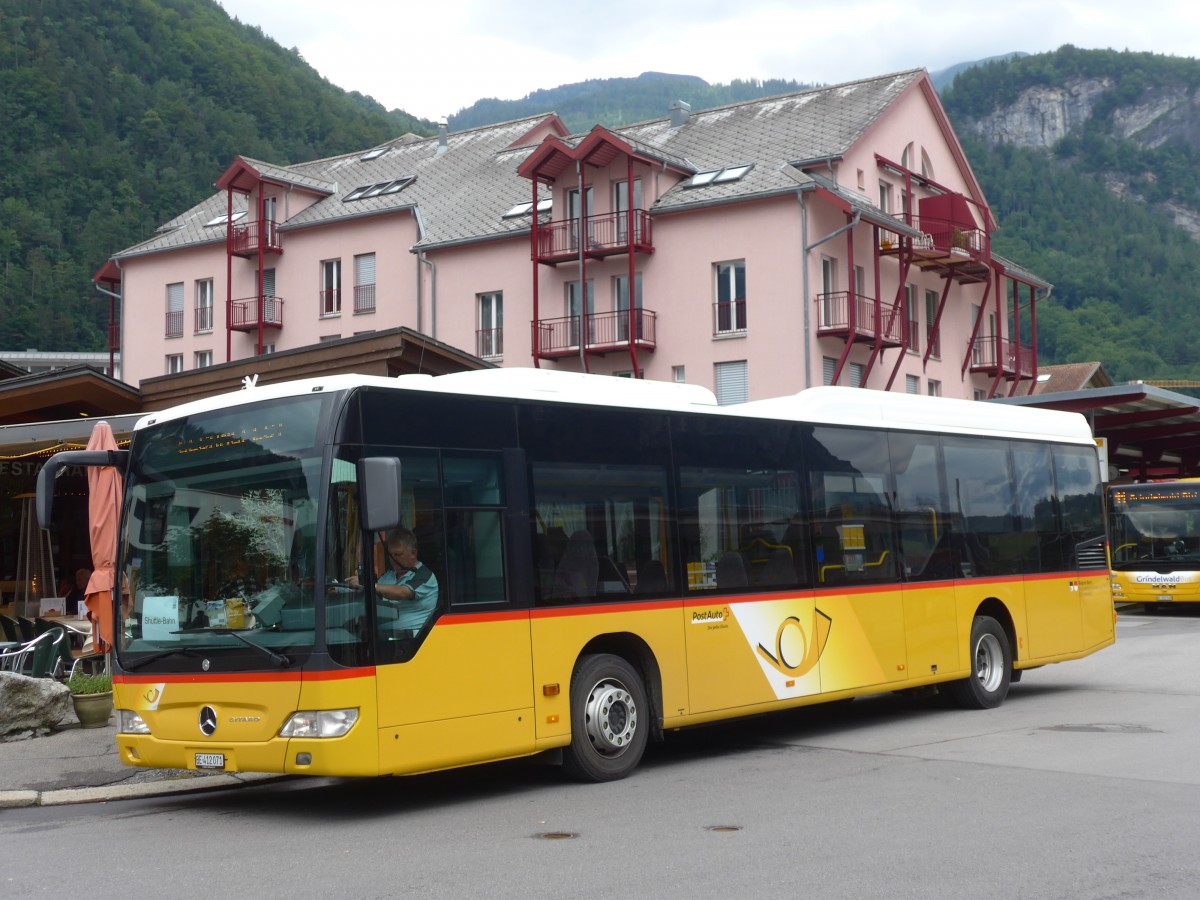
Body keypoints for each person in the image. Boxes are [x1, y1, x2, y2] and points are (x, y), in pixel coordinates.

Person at [347, 526, 438, 633]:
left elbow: (402, 592)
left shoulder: (424, 575)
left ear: (413, 553)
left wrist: (369, 584)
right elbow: (372, 590)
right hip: (383, 638)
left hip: (410, 641)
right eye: (391, 555)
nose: (393, 559)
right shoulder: (388, 576)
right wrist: (344, 589)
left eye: (398, 554)